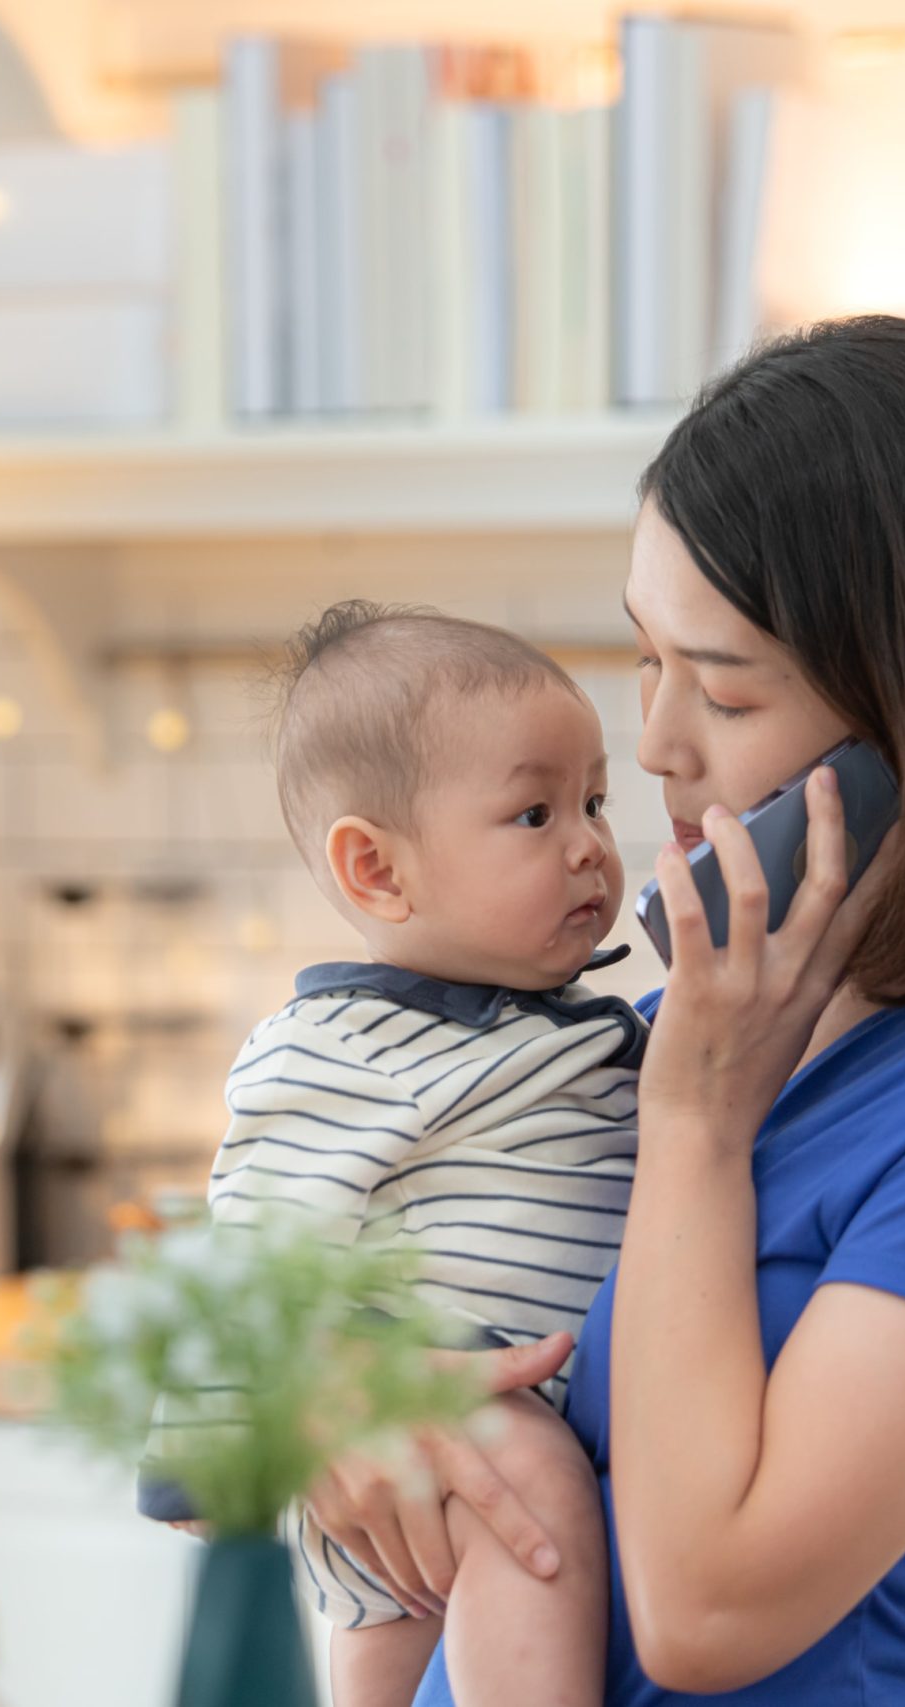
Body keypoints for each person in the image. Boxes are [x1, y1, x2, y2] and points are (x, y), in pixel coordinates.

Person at [304, 315, 905, 1706]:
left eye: (722, 687)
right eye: (646, 659)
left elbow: (707, 1610)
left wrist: (696, 1126)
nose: (657, 742)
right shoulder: (699, 1028)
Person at [140, 602, 647, 1707]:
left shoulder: (584, 1032)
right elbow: (255, 1243)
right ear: (376, 869)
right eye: (532, 812)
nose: (588, 843)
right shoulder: (342, 1049)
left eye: (595, 802)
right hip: (437, 1414)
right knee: (535, 1487)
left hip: (475, 1428)